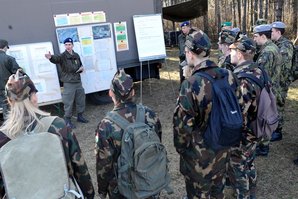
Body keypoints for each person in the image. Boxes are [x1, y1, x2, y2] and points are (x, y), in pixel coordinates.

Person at [0, 69, 95, 198]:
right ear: (33, 96)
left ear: (10, 101)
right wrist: (89, 194)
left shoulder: (3, 138)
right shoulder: (57, 126)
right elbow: (79, 167)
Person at [173, 30, 242, 198]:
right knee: (218, 191)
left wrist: (182, 150)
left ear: (189, 53)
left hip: (199, 157)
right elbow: (239, 107)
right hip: (223, 147)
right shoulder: (229, 75)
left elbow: (182, 129)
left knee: (198, 193)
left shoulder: (191, 84)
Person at [95, 69, 162, 199]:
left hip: (122, 189)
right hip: (150, 182)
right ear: (133, 91)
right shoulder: (150, 114)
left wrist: (102, 191)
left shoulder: (106, 125)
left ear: (110, 93)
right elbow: (158, 144)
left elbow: (104, 165)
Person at [229, 36, 264, 199]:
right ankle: (253, 191)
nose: (230, 52)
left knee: (238, 167)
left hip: (244, 132)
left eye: (232, 50)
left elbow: (238, 112)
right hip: (257, 126)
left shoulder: (242, 79)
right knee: (249, 161)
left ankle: (243, 195)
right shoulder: (258, 70)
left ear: (240, 53)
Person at [45, 37, 88, 129]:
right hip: (69, 83)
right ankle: (67, 120)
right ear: (64, 46)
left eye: (69, 44)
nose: (68, 46)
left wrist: (81, 69)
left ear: (72, 45)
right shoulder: (62, 56)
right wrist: (51, 57)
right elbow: (56, 59)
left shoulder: (76, 55)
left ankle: (80, 116)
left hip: (77, 81)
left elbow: (79, 65)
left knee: (81, 99)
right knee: (68, 102)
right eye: (66, 45)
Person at [253, 24, 282, 156]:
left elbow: (261, 75)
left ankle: (263, 146)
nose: (254, 39)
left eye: (255, 36)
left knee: (264, 118)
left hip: (266, 91)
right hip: (271, 88)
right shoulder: (273, 47)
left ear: (263, 36)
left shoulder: (267, 52)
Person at [270, 21, 294, 142]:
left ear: (278, 32)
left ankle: (278, 131)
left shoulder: (286, 45)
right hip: (277, 80)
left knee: (279, 104)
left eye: (272, 31)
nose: (271, 33)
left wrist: (280, 82)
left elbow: (285, 66)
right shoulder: (276, 44)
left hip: (281, 81)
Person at [0, 39, 20, 120]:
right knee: (13, 110)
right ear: (5, 47)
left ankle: (7, 129)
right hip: (9, 89)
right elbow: (17, 74)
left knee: (6, 110)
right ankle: (14, 129)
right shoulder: (9, 59)